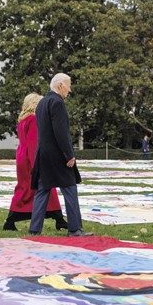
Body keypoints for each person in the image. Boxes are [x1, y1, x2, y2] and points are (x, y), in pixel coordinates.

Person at [29, 73, 93, 237]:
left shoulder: (42, 102)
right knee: (70, 188)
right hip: (57, 155)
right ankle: (74, 228)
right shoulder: (57, 102)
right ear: (60, 85)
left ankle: (35, 229)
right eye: (68, 86)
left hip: (43, 153)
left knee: (43, 190)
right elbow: (61, 132)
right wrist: (69, 154)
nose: (69, 90)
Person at [2, 93, 68, 231]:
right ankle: (58, 218)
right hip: (30, 158)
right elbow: (34, 143)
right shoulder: (33, 119)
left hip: (22, 156)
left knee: (25, 188)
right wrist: (37, 164)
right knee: (43, 185)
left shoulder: (22, 119)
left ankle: (58, 218)